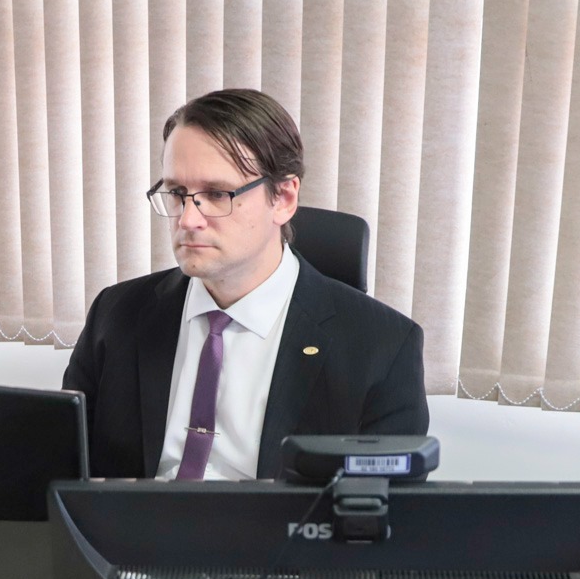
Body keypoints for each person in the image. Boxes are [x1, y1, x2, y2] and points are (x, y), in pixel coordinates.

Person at [63, 88, 429, 480]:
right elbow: (67, 467)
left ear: (284, 198)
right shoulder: (116, 313)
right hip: (124, 538)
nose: (188, 219)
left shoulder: (382, 346)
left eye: (217, 194)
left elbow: (384, 516)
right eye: (177, 194)